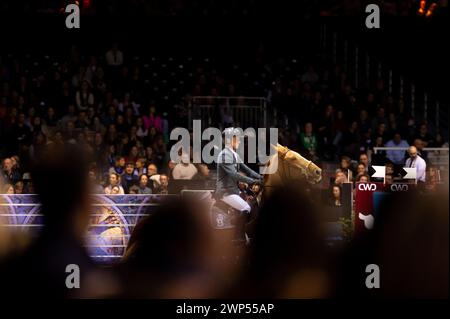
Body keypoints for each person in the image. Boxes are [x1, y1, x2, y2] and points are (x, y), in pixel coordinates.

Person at [215, 127, 262, 215]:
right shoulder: (225, 155)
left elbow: (248, 170)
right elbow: (234, 175)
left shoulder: (235, 155)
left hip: (234, 190)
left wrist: (261, 178)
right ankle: (240, 228)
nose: (240, 141)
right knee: (246, 208)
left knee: (254, 204)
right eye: (237, 138)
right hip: (226, 192)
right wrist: (254, 181)